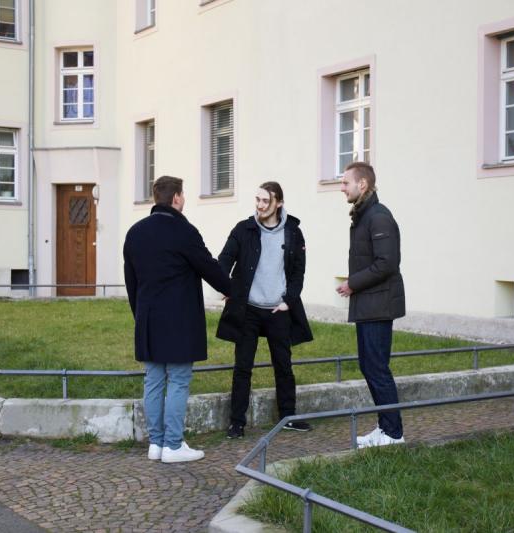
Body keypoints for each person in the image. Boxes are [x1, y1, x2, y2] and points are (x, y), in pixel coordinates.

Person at [123, 176, 231, 463]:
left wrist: (140, 315)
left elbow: (131, 282)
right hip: (180, 320)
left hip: (148, 319)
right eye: (183, 195)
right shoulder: (183, 231)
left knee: (154, 380)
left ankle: (155, 444)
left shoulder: (135, 233)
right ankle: (173, 445)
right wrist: (233, 291)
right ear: (176, 199)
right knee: (179, 380)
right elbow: (208, 266)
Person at [216, 182, 313, 439]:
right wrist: (227, 288)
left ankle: (288, 417)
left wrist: (288, 301)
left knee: (283, 365)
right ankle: (236, 422)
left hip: (277, 310)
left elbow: (298, 272)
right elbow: (224, 260)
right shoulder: (244, 229)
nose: (259, 205)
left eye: (265, 201)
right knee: (242, 367)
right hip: (248, 309)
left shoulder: (293, 232)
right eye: (257, 200)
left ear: (278, 202)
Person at [336, 162, 406, 448]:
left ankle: (393, 433)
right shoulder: (365, 215)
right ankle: (386, 427)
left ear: (362, 184)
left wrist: (353, 283)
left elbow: (387, 263)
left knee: (376, 367)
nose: (342, 188)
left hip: (378, 305)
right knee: (369, 366)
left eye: (345, 183)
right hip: (369, 304)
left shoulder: (378, 217)